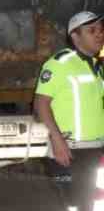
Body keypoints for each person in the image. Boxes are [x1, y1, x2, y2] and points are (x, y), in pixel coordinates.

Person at [34, 11, 104, 197]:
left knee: (92, 209)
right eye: (91, 30)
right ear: (75, 36)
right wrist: (57, 141)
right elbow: (41, 104)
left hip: (95, 150)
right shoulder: (59, 64)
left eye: (100, 29)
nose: (99, 34)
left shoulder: (96, 67)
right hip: (69, 151)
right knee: (70, 210)